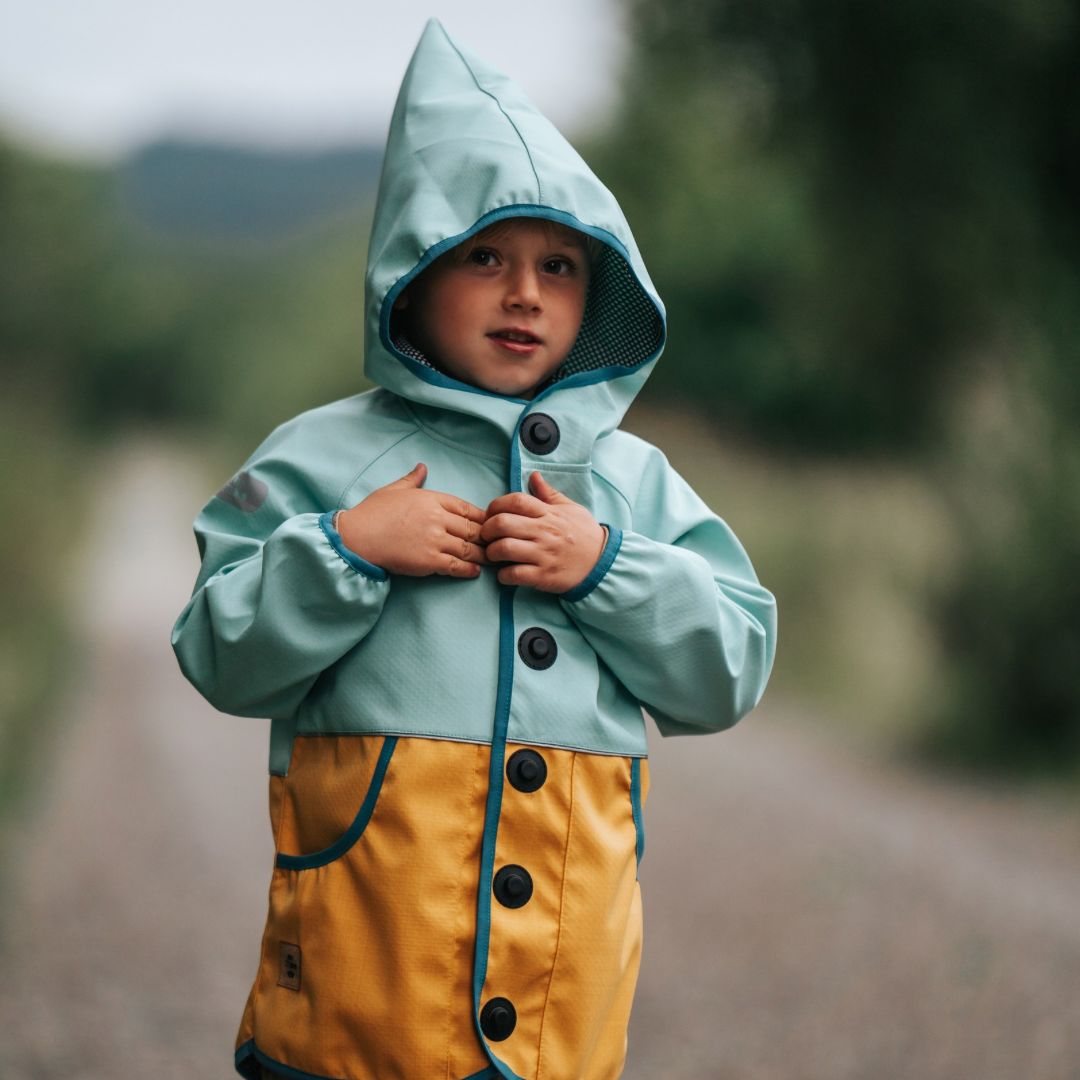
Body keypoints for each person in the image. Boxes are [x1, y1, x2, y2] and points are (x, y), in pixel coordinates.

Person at [172, 19, 777, 1080]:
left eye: (560, 264)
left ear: (600, 295)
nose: (525, 293)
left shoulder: (632, 486)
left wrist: (605, 567)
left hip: (560, 1003)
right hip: (361, 1005)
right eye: (484, 255)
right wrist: (346, 550)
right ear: (412, 267)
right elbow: (216, 652)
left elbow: (729, 669)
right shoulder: (321, 459)